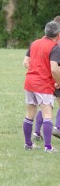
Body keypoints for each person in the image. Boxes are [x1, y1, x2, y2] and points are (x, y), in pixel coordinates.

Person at [23, 21, 60, 153]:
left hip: (29, 83)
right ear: (58, 34)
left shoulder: (34, 43)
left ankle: (28, 144)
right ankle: (48, 147)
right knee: (47, 115)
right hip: (43, 85)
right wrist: (58, 82)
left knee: (29, 115)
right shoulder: (55, 47)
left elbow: (25, 62)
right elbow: (55, 69)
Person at [33, 16, 60, 141]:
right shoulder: (55, 43)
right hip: (56, 77)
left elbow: (28, 62)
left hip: (46, 79)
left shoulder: (40, 42)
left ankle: (37, 132)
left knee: (46, 106)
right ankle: (58, 128)